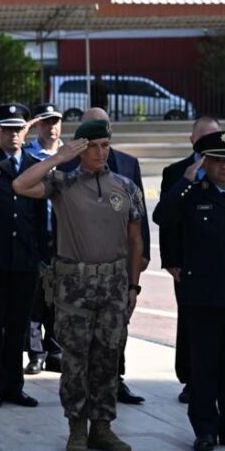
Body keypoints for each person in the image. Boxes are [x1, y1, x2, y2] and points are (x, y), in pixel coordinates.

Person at [13, 119, 144, 451]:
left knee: (108, 358)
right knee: (75, 360)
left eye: (105, 145)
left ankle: (102, 427)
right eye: (94, 146)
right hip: (74, 286)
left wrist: (133, 287)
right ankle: (77, 427)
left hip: (114, 285)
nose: (101, 152)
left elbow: (135, 240)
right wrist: (59, 157)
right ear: (81, 149)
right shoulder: (63, 183)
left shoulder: (126, 186)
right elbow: (21, 184)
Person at [153, 130, 225, 451]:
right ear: (206, 162)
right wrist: (187, 180)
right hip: (203, 297)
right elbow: (162, 216)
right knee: (204, 366)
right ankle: (205, 428)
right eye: (218, 161)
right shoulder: (192, 194)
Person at [0, 104, 47, 410]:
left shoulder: (33, 163)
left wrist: (42, 254)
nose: (14, 134)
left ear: (25, 131)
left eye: (19, 129)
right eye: (8, 129)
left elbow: (40, 214)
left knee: (19, 326)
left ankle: (15, 386)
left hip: (25, 258)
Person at [74, 108, 150, 406]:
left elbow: (139, 218)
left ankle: (116, 380)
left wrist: (139, 261)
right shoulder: (69, 166)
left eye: (103, 128)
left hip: (119, 264)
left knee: (117, 329)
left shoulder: (129, 165)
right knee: (82, 337)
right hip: (80, 268)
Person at [159, 115, 224, 405]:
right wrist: (170, 260)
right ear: (192, 140)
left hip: (222, 263)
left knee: (223, 322)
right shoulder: (175, 172)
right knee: (190, 322)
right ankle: (189, 378)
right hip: (187, 264)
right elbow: (166, 221)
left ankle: (217, 377)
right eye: (204, 137)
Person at [23, 103, 64, 375]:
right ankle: (35, 352)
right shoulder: (28, 155)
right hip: (36, 234)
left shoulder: (71, 154)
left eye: (55, 121)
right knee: (34, 297)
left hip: (65, 237)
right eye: (46, 122)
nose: (51, 126)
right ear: (36, 125)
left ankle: (56, 350)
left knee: (60, 297)